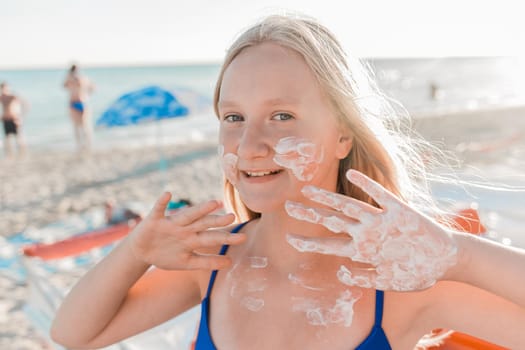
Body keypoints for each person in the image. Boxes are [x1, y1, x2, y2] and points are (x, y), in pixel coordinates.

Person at [51, 14, 525, 349]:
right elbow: (75, 334)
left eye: (282, 115)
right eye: (233, 116)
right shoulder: (214, 263)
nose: (250, 143)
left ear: (343, 135)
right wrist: (134, 252)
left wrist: (458, 255)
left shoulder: (400, 279)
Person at [63, 64, 95, 152]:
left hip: (81, 102)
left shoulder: (82, 78)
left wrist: (85, 93)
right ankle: (80, 145)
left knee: (84, 125)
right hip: (74, 103)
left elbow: (92, 88)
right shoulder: (70, 79)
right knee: (77, 126)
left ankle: (88, 144)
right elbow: (64, 86)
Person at [0, 82, 26, 158]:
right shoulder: (1, 97)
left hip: (14, 118)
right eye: (2, 88)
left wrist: (20, 116)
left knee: (18, 137)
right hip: (6, 119)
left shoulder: (12, 96)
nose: (4, 90)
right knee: (7, 138)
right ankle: (9, 154)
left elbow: (24, 104)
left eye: (5, 88)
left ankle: (22, 153)